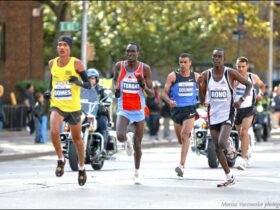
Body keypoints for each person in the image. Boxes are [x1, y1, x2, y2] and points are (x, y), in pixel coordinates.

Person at [197, 48, 252, 187]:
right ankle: (229, 176)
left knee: (222, 143)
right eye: (214, 56)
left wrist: (240, 100)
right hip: (213, 114)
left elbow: (248, 84)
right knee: (216, 148)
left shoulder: (230, 73)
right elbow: (202, 100)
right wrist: (199, 87)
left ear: (223, 58)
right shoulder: (206, 75)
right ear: (212, 58)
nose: (217, 58)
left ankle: (229, 144)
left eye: (219, 56)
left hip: (228, 113)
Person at [44, 35, 91, 186]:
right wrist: (48, 91)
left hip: (73, 107)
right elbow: (52, 80)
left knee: (77, 139)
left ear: (69, 48)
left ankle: (82, 168)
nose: (61, 47)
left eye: (64, 45)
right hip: (57, 104)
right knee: (53, 131)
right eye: (59, 45)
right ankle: (60, 159)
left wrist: (77, 82)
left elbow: (88, 85)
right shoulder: (52, 63)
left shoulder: (77, 63)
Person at [113, 42, 154, 184]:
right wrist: (116, 89)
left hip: (139, 109)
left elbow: (152, 93)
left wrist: (142, 85)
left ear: (138, 53)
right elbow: (114, 81)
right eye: (128, 51)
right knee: (119, 136)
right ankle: (126, 139)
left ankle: (137, 172)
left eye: (133, 52)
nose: (130, 54)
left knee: (138, 144)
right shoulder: (119, 66)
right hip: (124, 107)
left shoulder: (145, 69)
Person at [162, 53, 200, 177]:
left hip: (190, 110)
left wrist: (205, 99)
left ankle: (181, 166)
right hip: (176, 110)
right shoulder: (173, 76)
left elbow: (206, 89)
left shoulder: (196, 76)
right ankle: (189, 140)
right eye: (181, 62)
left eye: (185, 62)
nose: (183, 64)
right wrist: (169, 101)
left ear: (190, 63)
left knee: (184, 135)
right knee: (181, 140)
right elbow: (164, 94)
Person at [234, 56, 265, 171]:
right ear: (236, 67)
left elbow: (262, 86)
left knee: (243, 132)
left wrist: (260, 94)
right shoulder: (233, 77)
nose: (241, 69)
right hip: (237, 110)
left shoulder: (253, 77)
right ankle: (248, 149)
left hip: (248, 109)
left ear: (247, 66)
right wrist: (234, 85)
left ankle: (242, 161)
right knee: (241, 136)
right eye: (239, 67)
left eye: (243, 66)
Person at [80, 68, 110, 153]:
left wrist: (107, 101)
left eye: (92, 78)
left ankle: (102, 148)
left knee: (103, 124)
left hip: (98, 115)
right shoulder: (82, 90)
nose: (90, 80)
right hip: (85, 114)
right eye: (88, 78)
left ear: (96, 79)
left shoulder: (101, 90)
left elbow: (108, 98)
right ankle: (70, 144)